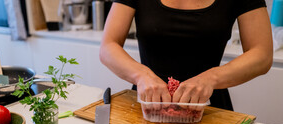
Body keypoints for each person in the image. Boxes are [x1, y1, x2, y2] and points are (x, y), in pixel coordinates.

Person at [99, 0, 273, 110]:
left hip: (209, 108)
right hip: (147, 103)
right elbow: (108, 46)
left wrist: (210, 78)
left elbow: (262, 55)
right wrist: (141, 75)